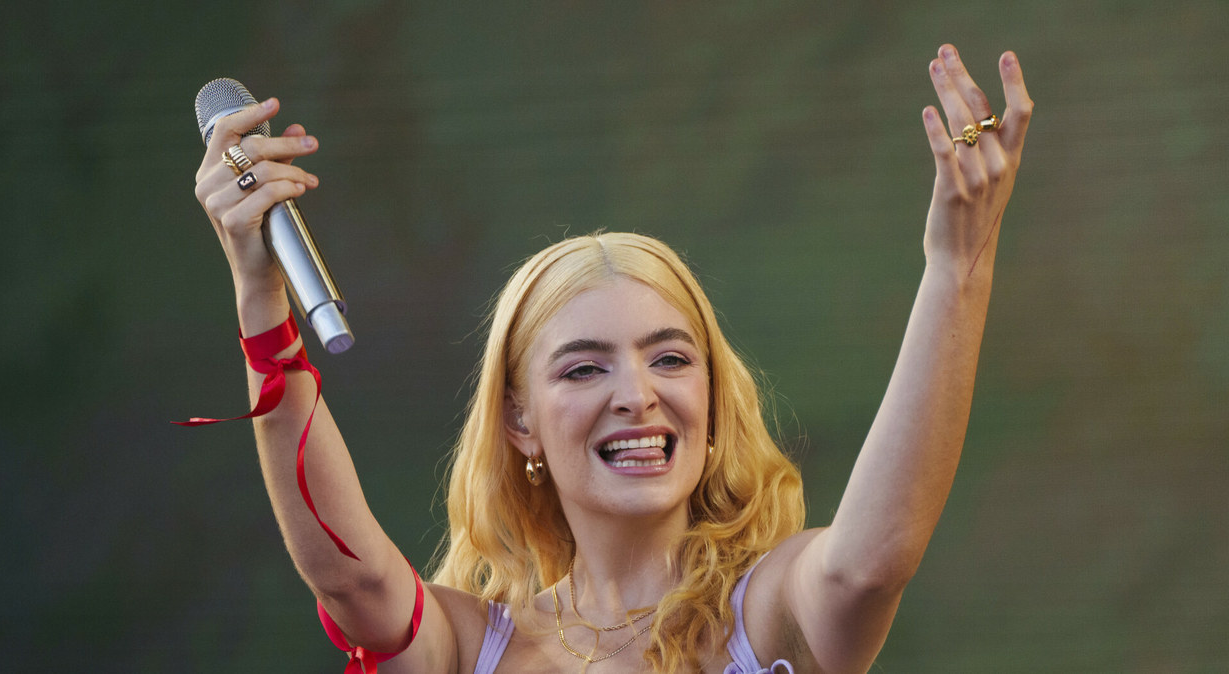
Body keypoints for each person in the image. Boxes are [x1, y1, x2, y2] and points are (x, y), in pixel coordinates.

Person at [189, 44, 1033, 673]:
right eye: (584, 369)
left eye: (670, 360)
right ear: (519, 420)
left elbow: (871, 561)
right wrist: (260, 296)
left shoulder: (769, 614)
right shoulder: (469, 648)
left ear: (713, 396)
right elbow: (352, 582)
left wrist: (960, 266)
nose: (638, 395)